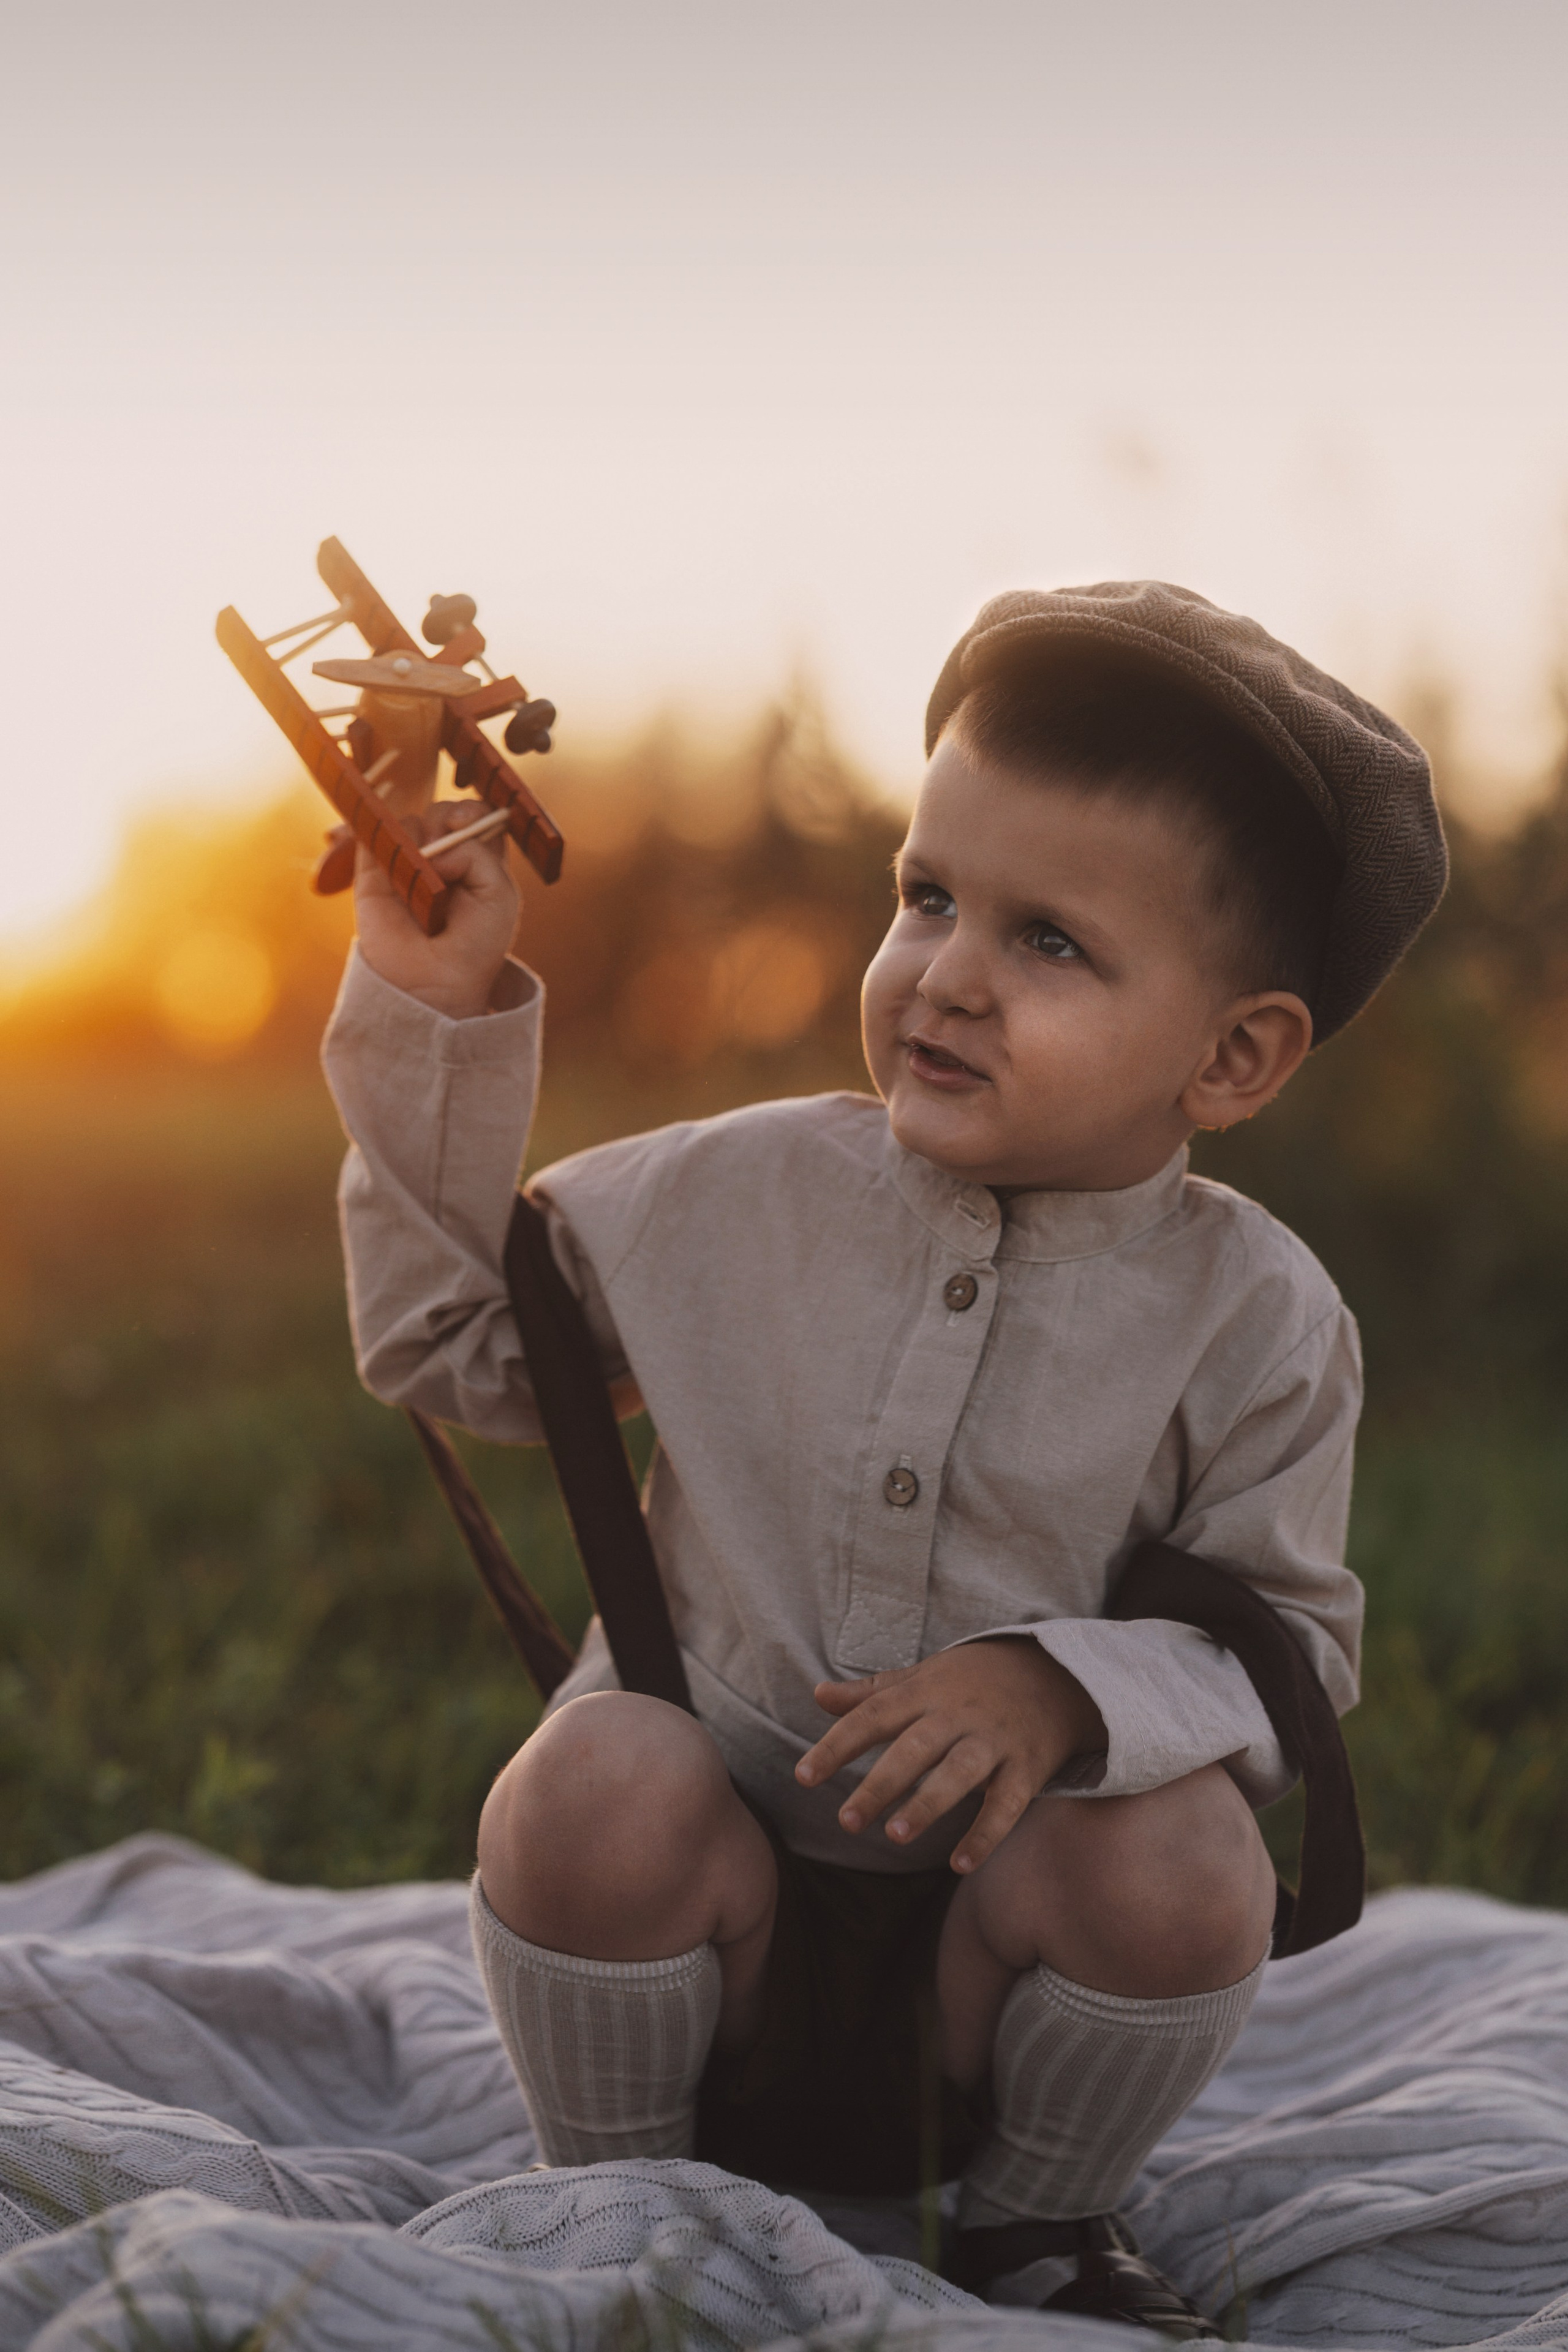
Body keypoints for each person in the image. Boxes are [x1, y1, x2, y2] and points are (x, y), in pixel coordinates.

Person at [321, 581, 1446, 2333]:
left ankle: (1037, 2227)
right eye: (927, 896)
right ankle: (617, 2204)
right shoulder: (730, 1189)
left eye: (1049, 942)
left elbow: (1285, 1659)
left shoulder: (1260, 1318)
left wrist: (1062, 1691)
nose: (949, 976)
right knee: (593, 1778)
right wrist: (425, 1000)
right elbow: (451, 1342)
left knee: (1189, 1860)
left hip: (992, 1980)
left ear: (1234, 1055)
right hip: (703, 1926)